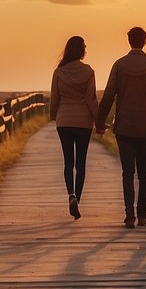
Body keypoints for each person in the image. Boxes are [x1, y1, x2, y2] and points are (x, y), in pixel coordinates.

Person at [97, 26, 146, 228]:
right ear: (145, 41)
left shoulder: (119, 66)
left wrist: (100, 121)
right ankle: (143, 214)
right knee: (144, 172)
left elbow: (109, 95)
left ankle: (129, 215)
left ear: (129, 41)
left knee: (127, 172)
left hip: (124, 126)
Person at [49, 35, 103, 220]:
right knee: (81, 163)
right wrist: (99, 121)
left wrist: (53, 116)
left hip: (64, 120)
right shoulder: (88, 71)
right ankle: (77, 200)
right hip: (83, 122)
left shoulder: (59, 72)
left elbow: (55, 97)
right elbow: (90, 99)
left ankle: (70, 194)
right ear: (81, 50)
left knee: (68, 162)